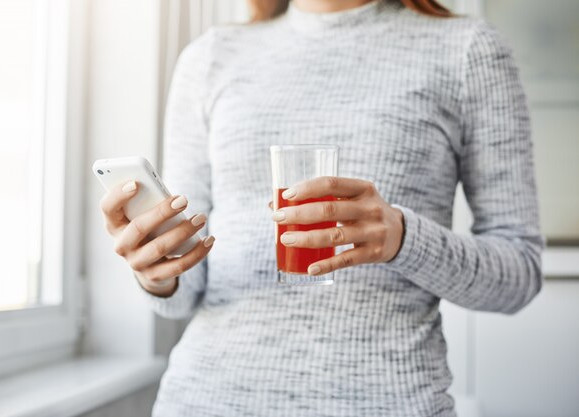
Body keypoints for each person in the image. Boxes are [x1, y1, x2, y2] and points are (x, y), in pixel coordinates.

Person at [99, 0, 543, 415]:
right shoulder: (210, 57)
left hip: (386, 401)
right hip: (206, 398)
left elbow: (518, 273)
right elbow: (185, 293)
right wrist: (155, 270)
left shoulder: (469, 51)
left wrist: (403, 237)